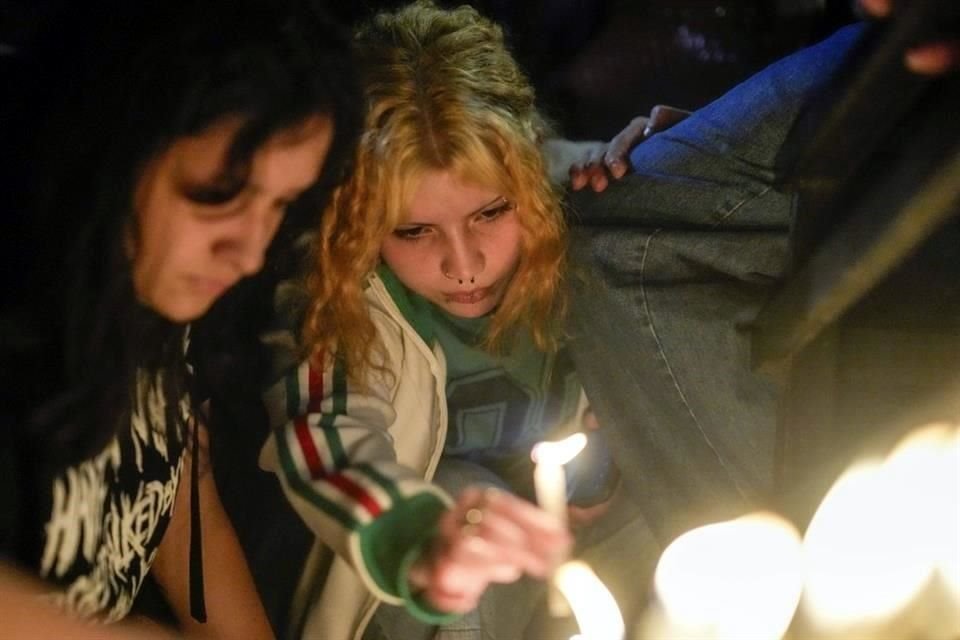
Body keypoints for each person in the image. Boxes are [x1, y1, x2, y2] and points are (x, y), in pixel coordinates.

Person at [255, 2, 633, 639]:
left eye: (490, 214)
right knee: (459, 495)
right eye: (413, 230)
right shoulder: (335, 290)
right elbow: (323, 435)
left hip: (592, 527)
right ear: (356, 222)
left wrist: (675, 153)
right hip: (435, 580)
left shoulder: (582, 193)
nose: (464, 265)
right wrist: (423, 538)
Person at [0, 0, 360, 637]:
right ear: (109, 146)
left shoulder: (160, 285)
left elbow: (171, 495)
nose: (250, 253)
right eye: (219, 193)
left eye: (282, 203)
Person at [560, 0, 958, 557]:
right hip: (864, 62)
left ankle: (766, 581)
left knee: (605, 242)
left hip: (879, 72)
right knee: (611, 234)